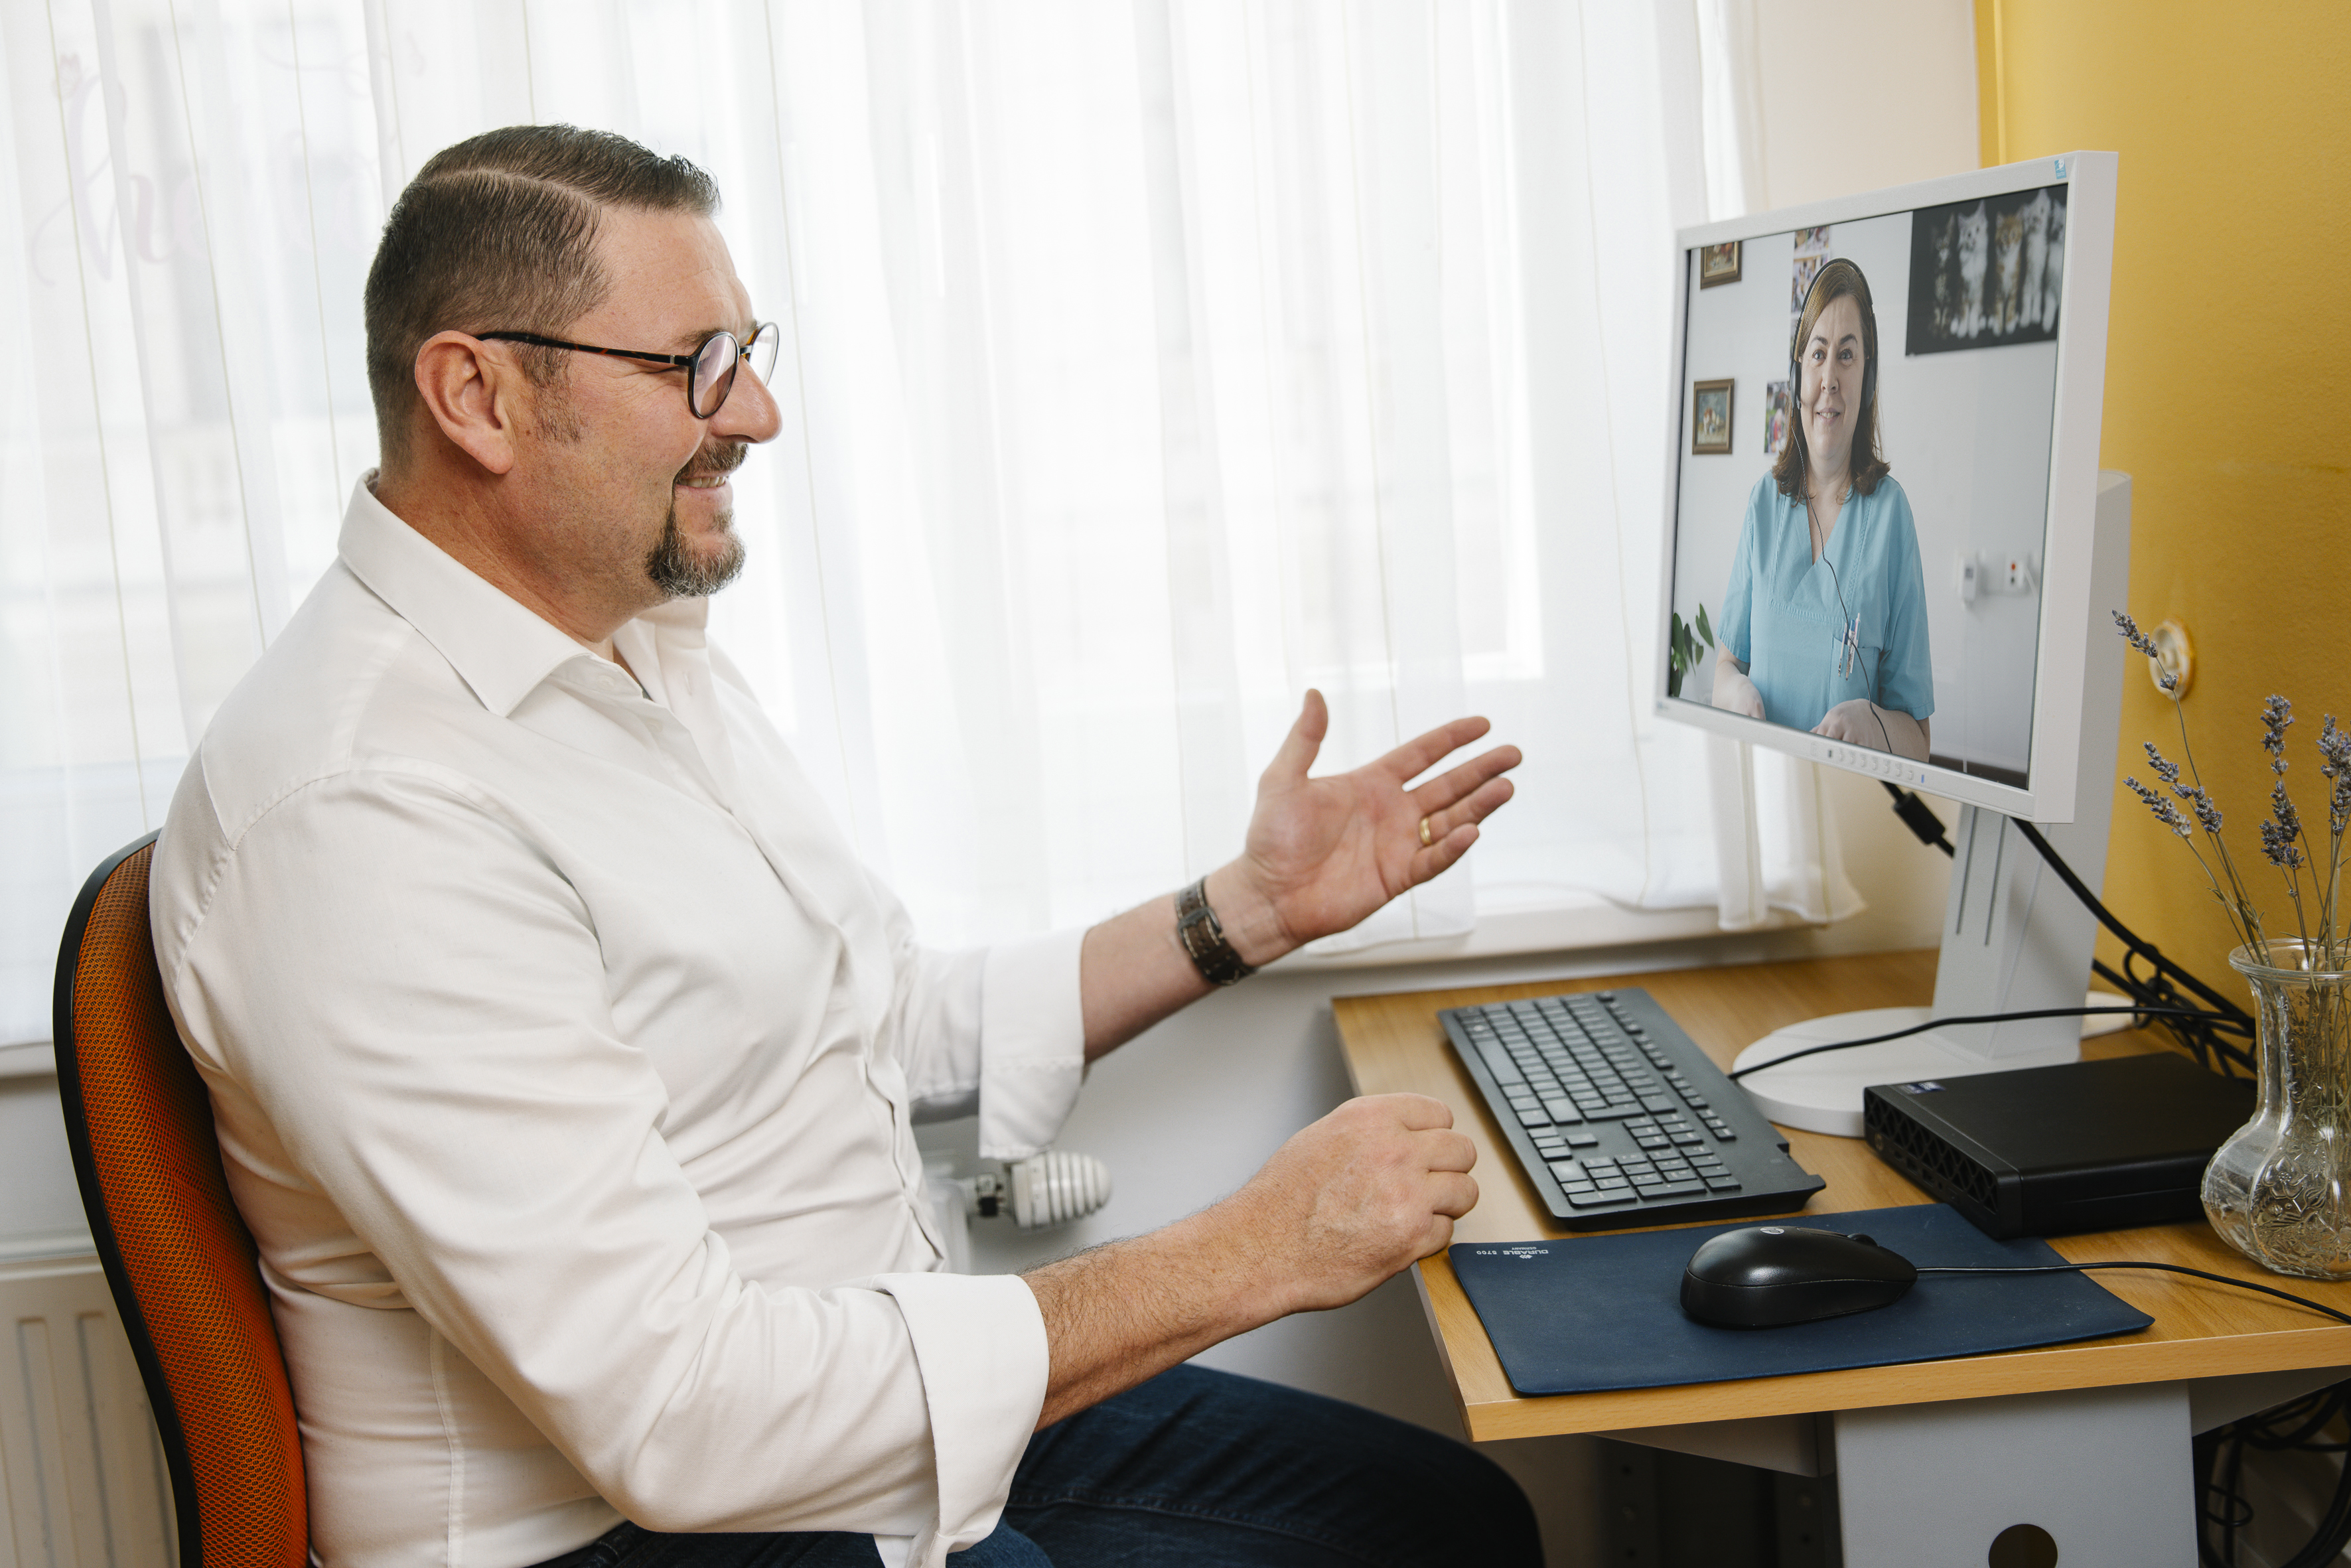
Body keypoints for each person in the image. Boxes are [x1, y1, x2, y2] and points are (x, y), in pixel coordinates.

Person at [147, 126, 1537, 1568]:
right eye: (694, 363)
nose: (754, 413)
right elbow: (677, 1411)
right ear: (477, 393)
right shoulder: (362, 809)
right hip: (627, 1523)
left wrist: (1243, 910)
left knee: (1446, 1523)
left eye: (747, 349)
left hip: (857, 1402)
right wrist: (1249, 1249)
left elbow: (868, 1017)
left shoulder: (632, 649)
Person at [1711, 257, 1933, 761]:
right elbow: (1724, 667)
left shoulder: (1891, 516)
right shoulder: (1763, 504)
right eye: (1817, 354)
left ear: (1868, 381)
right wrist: (1736, 692)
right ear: (1798, 376)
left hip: (1847, 810)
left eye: (1847, 356)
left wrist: (1870, 721)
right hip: (1766, 798)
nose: (1829, 378)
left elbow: (1918, 743)